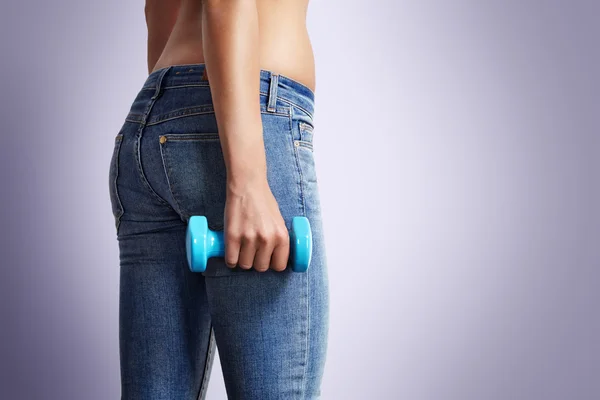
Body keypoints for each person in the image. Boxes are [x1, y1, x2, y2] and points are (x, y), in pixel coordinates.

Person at [107, 0, 330, 398]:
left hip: (151, 121)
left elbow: (160, 9)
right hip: (246, 123)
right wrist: (247, 181)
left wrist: (179, 130)